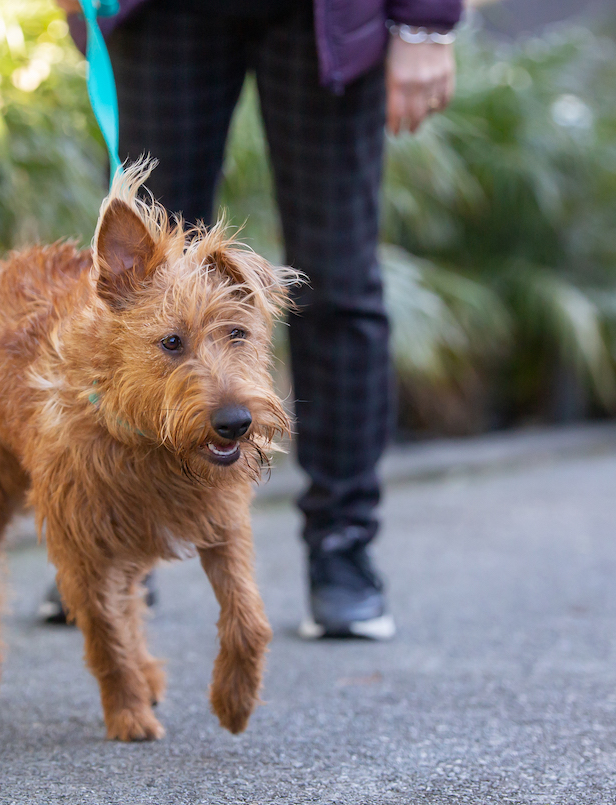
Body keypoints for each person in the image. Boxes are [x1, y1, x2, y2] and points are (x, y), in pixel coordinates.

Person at [44, 0, 462, 639]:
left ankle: (341, 545)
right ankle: (115, 538)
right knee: (138, 289)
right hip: (164, 14)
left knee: (337, 281)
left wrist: (425, 21)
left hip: (325, 14)